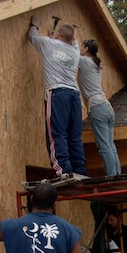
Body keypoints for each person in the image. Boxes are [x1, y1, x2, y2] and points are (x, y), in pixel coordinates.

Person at [28, 16, 86, 177]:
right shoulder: (75, 52)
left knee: (56, 133)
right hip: (74, 95)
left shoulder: (48, 43)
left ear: (58, 34)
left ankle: (63, 171)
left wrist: (34, 24)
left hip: (57, 93)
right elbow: (72, 40)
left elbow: (32, 36)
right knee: (74, 136)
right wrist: (64, 35)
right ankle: (79, 170)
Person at [77, 38, 121, 176]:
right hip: (106, 107)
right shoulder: (95, 63)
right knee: (110, 145)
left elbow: (70, 54)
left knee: (104, 147)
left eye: (82, 47)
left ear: (86, 49)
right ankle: (117, 175)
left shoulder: (85, 62)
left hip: (98, 108)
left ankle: (112, 177)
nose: (79, 48)